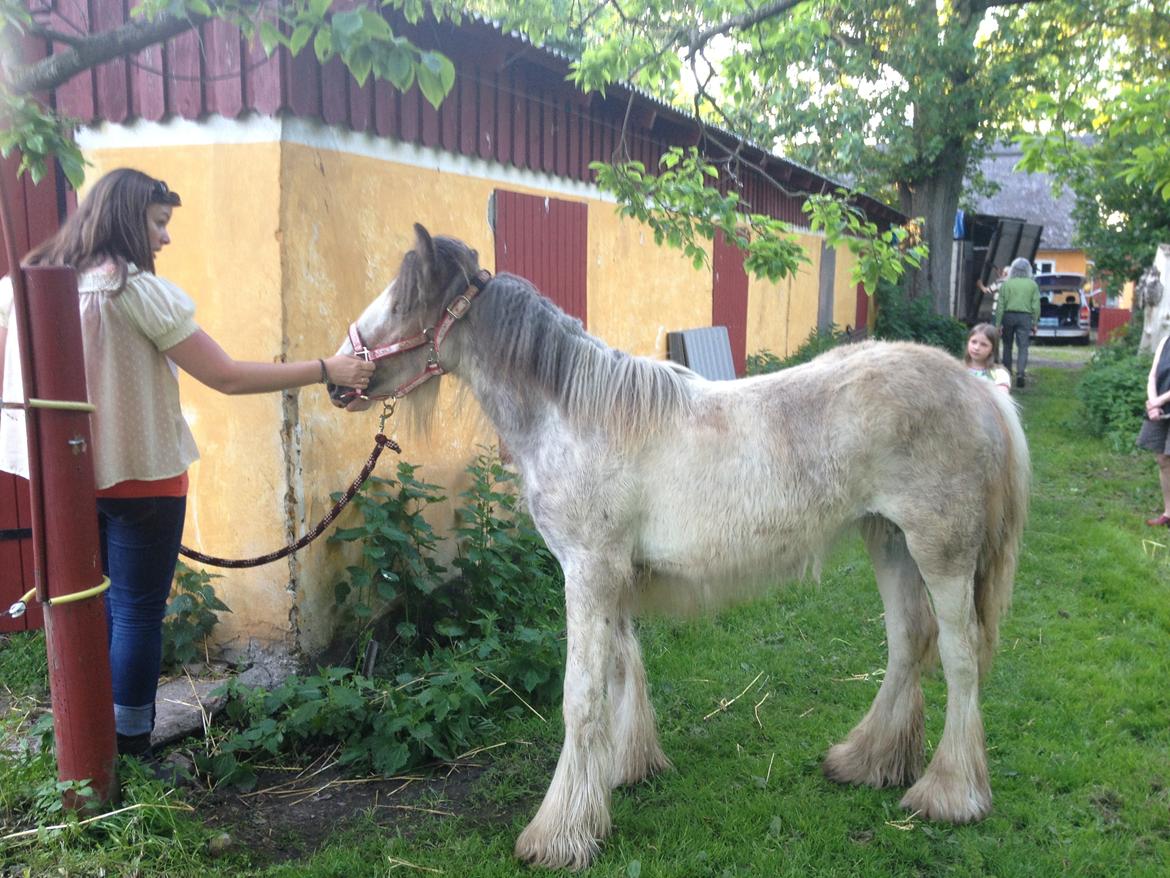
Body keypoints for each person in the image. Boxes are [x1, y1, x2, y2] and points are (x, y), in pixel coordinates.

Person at [0, 168, 375, 757]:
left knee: (79, 603)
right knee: (138, 610)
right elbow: (225, 376)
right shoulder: (133, 290)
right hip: (144, 478)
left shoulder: (20, 289)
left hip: (62, 483)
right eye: (158, 223)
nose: (165, 238)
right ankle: (129, 745)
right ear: (127, 219)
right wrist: (328, 368)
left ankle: (82, 736)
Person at [1137, 334, 1170, 527]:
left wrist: (1159, 401)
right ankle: (1168, 513)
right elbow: (1153, 375)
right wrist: (1153, 403)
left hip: (1163, 403)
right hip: (1160, 408)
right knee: (1163, 460)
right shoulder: (1166, 340)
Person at [993, 257, 1041, 389]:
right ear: (1028, 270)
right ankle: (1020, 374)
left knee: (1007, 345)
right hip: (1025, 317)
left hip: (1008, 316)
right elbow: (1036, 305)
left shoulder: (1006, 284)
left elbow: (1000, 305)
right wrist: (1035, 322)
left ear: (1012, 270)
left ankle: (1007, 373)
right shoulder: (1032, 285)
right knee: (1023, 347)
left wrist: (998, 324)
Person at [964, 323, 1011, 392]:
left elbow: (1001, 397)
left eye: (983, 345)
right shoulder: (958, 368)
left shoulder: (999, 373)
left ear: (992, 349)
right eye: (973, 342)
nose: (976, 348)